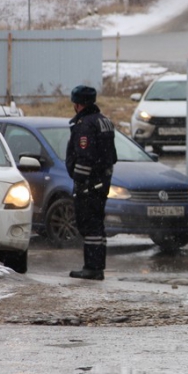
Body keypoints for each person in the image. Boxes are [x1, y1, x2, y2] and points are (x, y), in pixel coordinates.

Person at [66, 85, 117, 280]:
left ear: (78, 104)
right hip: (101, 183)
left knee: (89, 225)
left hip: (89, 185)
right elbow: (111, 156)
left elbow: (85, 157)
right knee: (97, 225)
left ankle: (92, 268)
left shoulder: (85, 125)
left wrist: (80, 183)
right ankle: (96, 266)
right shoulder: (104, 121)